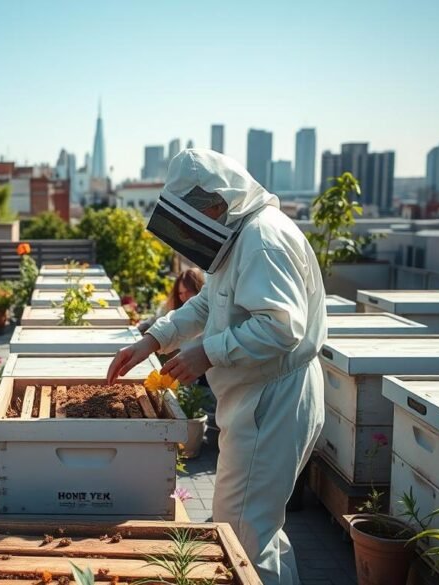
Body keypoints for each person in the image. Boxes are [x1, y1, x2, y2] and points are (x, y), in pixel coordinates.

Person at [108, 149, 326, 585]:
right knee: (257, 527)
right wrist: (153, 338)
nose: (192, 228)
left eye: (196, 214)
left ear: (218, 202)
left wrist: (206, 353)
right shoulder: (241, 237)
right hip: (259, 395)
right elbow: (209, 303)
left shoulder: (263, 238)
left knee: (242, 536)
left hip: (273, 398)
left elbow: (282, 327)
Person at [137, 267, 206, 334]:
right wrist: (145, 325)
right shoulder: (170, 306)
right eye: (180, 293)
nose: (184, 296)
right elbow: (156, 320)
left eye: (188, 292)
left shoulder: (205, 315)